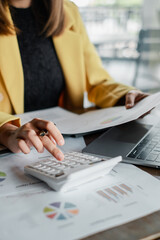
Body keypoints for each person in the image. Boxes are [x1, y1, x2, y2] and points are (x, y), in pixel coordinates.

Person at [0, 0, 149, 161]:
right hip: (13, 152)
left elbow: (97, 81)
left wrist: (126, 95)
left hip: (66, 144)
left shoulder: (68, 11)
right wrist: (6, 130)